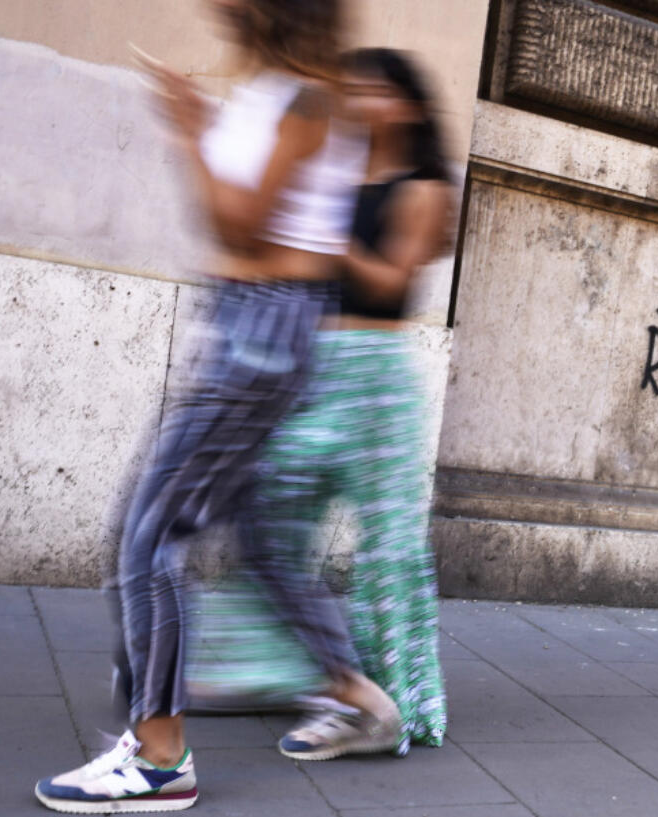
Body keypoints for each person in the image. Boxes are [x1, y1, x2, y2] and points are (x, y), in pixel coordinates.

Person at [34, 2, 400, 812]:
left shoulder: (306, 97)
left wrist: (190, 126)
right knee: (256, 529)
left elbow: (241, 220)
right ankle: (356, 695)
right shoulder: (280, 88)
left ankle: (160, 755)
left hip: (263, 328)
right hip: (253, 321)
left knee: (149, 531)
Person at [245, 46, 454, 760]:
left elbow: (389, 278)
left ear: (409, 105)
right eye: (356, 88)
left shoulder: (425, 187)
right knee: (270, 501)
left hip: (377, 374)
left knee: (387, 545)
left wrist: (327, 237)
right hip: (315, 362)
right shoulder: (337, 168)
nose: (362, 101)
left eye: (377, 90)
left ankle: (392, 699)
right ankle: (285, 670)